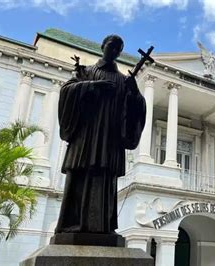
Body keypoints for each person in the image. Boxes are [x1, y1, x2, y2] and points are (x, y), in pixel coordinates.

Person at [55, 35, 146, 234]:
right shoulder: (86, 72)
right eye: (111, 46)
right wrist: (91, 86)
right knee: (79, 178)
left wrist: (135, 94)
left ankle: (103, 227)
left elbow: (137, 110)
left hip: (110, 141)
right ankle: (72, 224)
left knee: (106, 182)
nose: (114, 51)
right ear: (103, 46)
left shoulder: (124, 80)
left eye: (118, 49)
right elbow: (67, 91)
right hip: (85, 138)